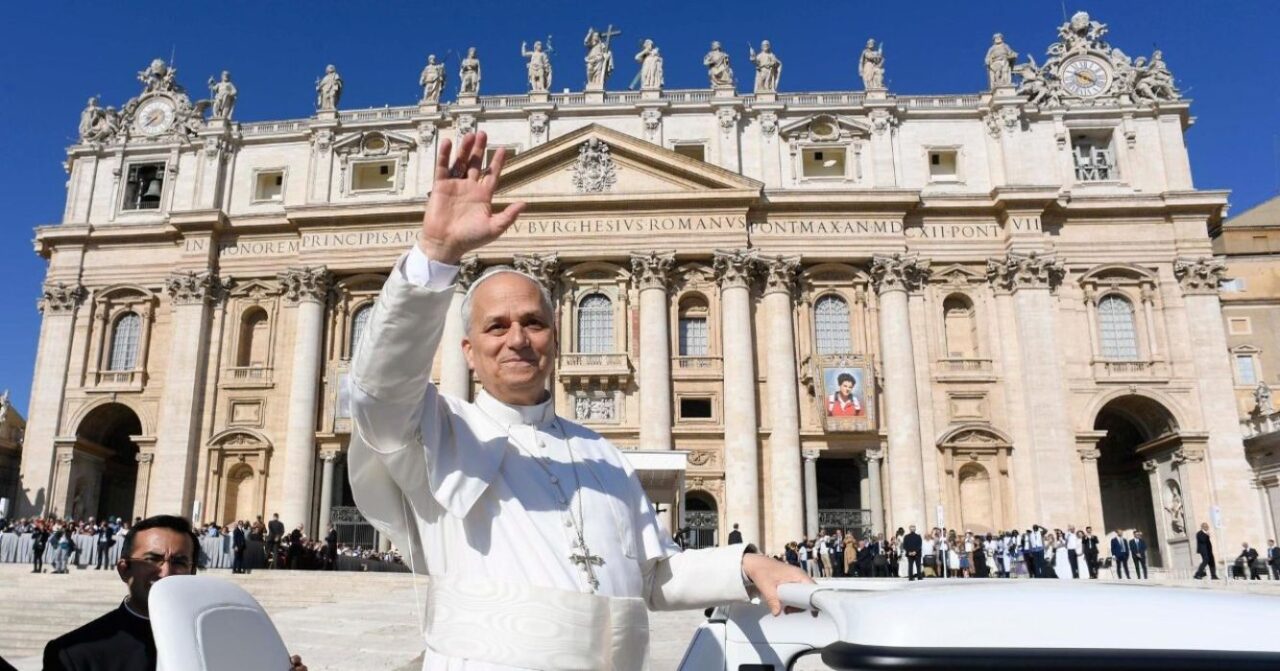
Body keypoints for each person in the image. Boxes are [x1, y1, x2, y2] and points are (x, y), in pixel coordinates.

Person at [346, 131, 811, 669]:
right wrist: (437, 254)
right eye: (497, 326)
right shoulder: (437, 434)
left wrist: (747, 567)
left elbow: (653, 575)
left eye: (533, 322)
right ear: (468, 352)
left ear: (555, 338)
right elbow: (378, 387)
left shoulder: (603, 456)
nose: (517, 338)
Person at [43, 514, 308, 671]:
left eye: (180, 562)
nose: (166, 572)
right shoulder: (72, 655)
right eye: (152, 559)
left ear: (192, 572)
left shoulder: (233, 637)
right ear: (124, 569)